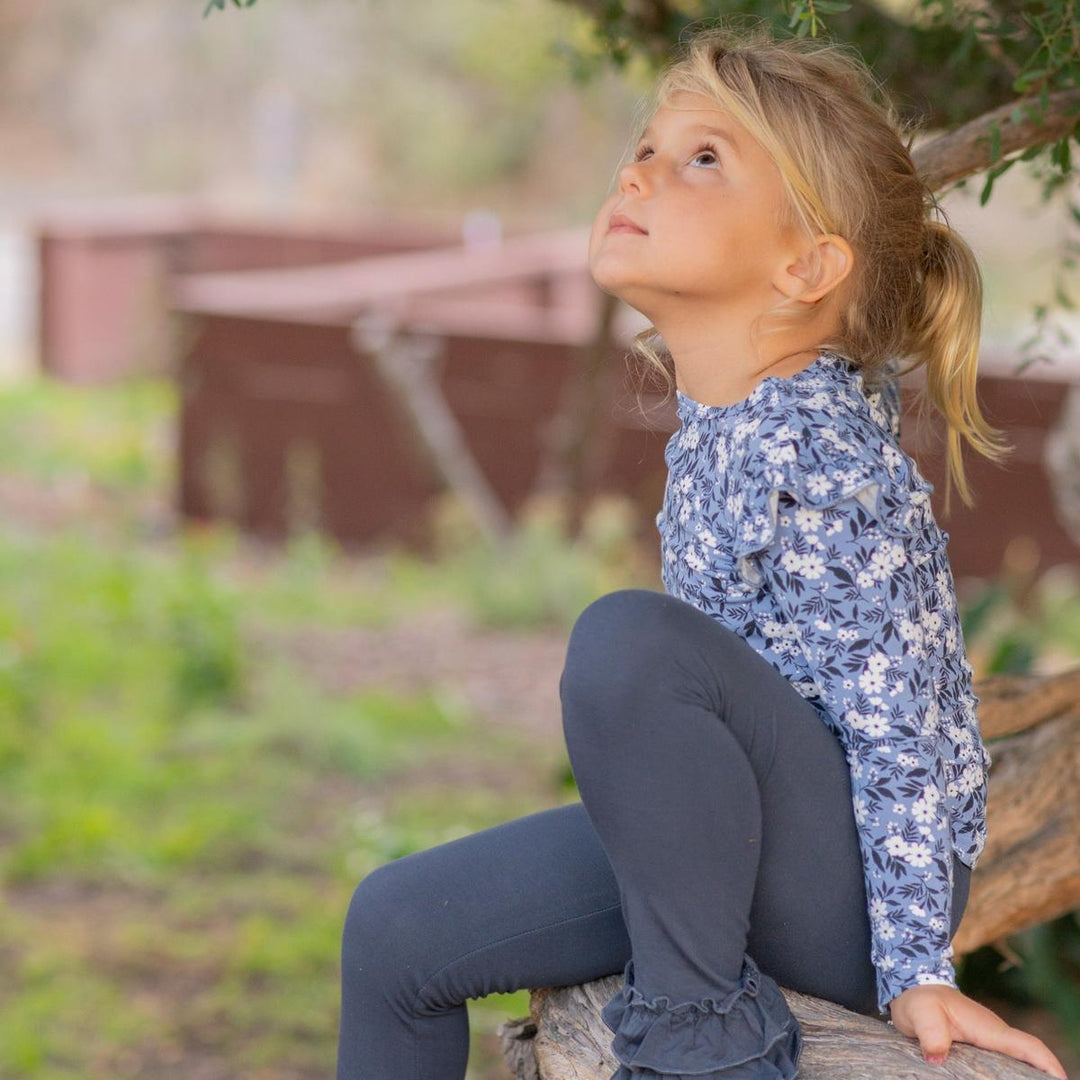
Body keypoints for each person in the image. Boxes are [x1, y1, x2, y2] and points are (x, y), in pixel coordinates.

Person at [334, 21, 1070, 1080]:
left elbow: (900, 733)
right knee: (398, 928)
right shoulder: (726, 427)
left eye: (703, 159)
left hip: (848, 888)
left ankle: (699, 1042)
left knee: (630, 641)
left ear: (805, 264)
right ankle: (694, 1001)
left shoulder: (818, 451)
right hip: (734, 844)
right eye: (647, 145)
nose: (641, 169)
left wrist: (919, 968)